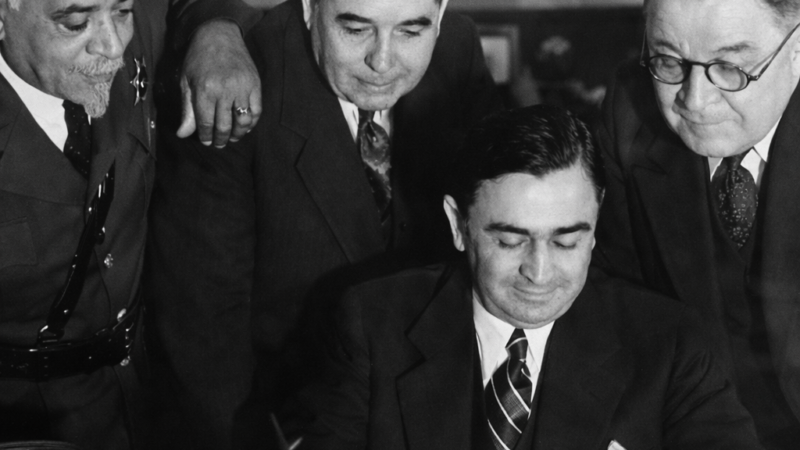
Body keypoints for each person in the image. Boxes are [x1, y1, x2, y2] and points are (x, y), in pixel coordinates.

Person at [291, 105, 763, 449]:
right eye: (510, 241)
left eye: (566, 241)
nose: (539, 273)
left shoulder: (670, 343)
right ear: (459, 225)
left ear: (596, 225)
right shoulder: (371, 325)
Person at [146, 0, 499, 447]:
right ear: (310, 9)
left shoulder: (458, 49)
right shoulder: (237, 75)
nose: (383, 61)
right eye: (355, 30)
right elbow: (203, 329)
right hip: (285, 417)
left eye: (411, 32)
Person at [0, 0, 260, 448]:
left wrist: (217, 33)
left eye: (122, 12)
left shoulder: (128, 31)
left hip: (149, 400)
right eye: (77, 23)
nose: (113, 46)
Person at [594, 0, 800, 446]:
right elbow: (614, 306)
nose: (694, 100)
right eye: (668, 61)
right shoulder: (630, 111)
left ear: (797, 46)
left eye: (729, 67)